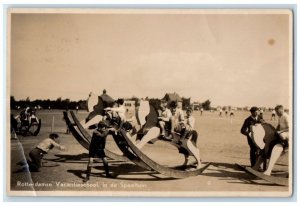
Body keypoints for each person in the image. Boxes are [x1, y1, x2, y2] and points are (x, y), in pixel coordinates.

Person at [262, 105, 289, 176]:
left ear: (281, 110)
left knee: (282, 135)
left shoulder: (286, 117)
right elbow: (279, 125)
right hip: (282, 132)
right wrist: (276, 130)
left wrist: (280, 131)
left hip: (288, 133)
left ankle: (286, 146)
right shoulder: (280, 117)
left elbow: (290, 128)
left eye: (277, 112)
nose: (276, 113)